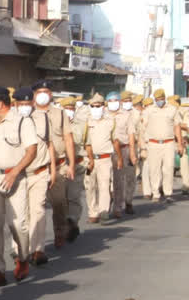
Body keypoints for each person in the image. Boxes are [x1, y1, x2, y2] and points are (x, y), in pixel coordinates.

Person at [0, 86, 37, 286]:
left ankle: (22, 258)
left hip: (15, 178)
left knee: (18, 224)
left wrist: (14, 172)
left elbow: (31, 151)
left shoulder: (23, 122)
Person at [13, 86, 54, 265]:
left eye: (28, 103)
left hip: (39, 172)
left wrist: (53, 169)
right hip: (18, 174)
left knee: (38, 210)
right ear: (15, 104)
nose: (25, 107)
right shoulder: (10, 121)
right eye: (21, 104)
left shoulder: (43, 118)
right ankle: (19, 250)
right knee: (20, 215)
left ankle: (38, 249)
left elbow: (50, 144)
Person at [33, 80, 76, 249]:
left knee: (59, 204)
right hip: (36, 168)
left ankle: (59, 232)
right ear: (34, 94)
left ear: (51, 94)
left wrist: (71, 164)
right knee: (36, 207)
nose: (43, 94)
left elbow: (68, 139)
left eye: (46, 91)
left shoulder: (60, 113)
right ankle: (36, 243)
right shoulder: (28, 113)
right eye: (39, 91)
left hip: (57, 166)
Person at [84, 94, 123, 223]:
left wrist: (119, 157)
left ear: (103, 107)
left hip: (105, 158)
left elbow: (115, 141)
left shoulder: (110, 122)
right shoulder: (86, 121)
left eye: (98, 106)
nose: (96, 108)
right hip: (89, 159)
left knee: (104, 185)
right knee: (90, 187)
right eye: (93, 106)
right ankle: (93, 211)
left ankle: (103, 211)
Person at [142, 89, 184, 202]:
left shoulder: (172, 109)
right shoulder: (149, 110)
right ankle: (155, 193)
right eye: (157, 100)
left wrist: (180, 144)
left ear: (164, 98)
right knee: (154, 169)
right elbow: (143, 127)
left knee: (168, 169)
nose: (159, 101)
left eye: (161, 99)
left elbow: (177, 127)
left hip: (168, 143)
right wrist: (143, 146)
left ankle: (168, 193)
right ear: (154, 100)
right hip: (153, 143)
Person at [59, 97, 87, 241]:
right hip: (60, 166)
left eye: (71, 109)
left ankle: (72, 221)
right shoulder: (54, 125)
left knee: (74, 196)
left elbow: (88, 144)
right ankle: (61, 226)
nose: (69, 111)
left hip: (77, 164)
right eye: (66, 109)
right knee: (60, 198)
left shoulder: (82, 125)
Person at [106, 91, 137, 218]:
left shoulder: (126, 115)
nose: (113, 103)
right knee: (105, 180)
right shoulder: (102, 114)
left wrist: (132, 152)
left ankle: (118, 207)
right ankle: (105, 205)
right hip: (106, 150)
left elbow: (131, 134)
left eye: (115, 100)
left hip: (123, 149)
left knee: (119, 180)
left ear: (119, 101)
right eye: (110, 101)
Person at [170, 95, 189, 195]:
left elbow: (187, 125)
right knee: (167, 165)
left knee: (184, 163)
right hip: (169, 139)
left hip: (182, 139)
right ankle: (164, 187)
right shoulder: (167, 111)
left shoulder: (184, 111)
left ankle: (186, 186)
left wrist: (177, 124)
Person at [139, 97, 154, 199]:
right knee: (146, 167)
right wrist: (143, 147)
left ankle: (155, 189)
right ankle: (147, 191)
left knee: (156, 168)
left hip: (156, 143)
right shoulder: (143, 115)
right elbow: (141, 132)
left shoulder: (157, 113)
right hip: (147, 143)